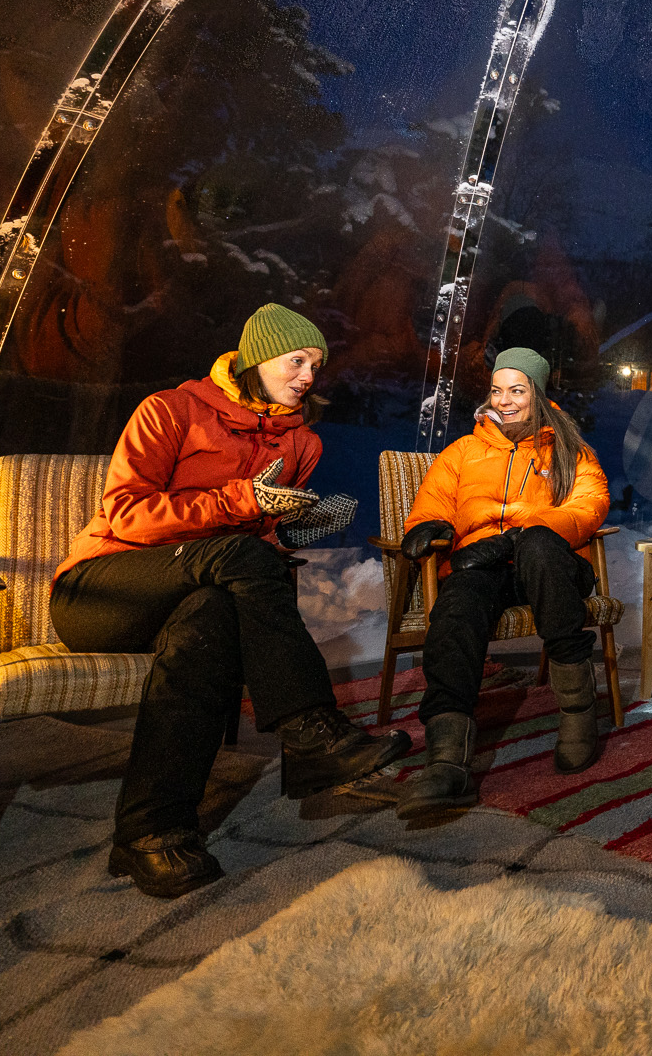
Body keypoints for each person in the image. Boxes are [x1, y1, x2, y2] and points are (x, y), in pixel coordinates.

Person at [51, 304, 411, 898]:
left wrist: (292, 528)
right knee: (238, 560)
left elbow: (255, 547)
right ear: (255, 360)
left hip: (192, 592)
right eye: (296, 361)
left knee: (209, 622)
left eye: (316, 366)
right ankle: (310, 728)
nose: (308, 377)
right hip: (102, 589)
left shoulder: (301, 443)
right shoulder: (171, 410)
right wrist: (242, 502)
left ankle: (149, 834)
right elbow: (127, 513)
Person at [396, 347, 611, 818]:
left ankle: (578, 711)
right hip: (483, 564)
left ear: (538, 395)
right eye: (497, 390)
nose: (505, 400)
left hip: (551, 565)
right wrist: (429, 526)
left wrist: (517, 534)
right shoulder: (463, 451)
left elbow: (588, 507)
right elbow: (432, 504)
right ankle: (447, 758)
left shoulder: (569, 452)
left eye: (517, 390)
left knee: (537, 545)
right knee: (458, 601)